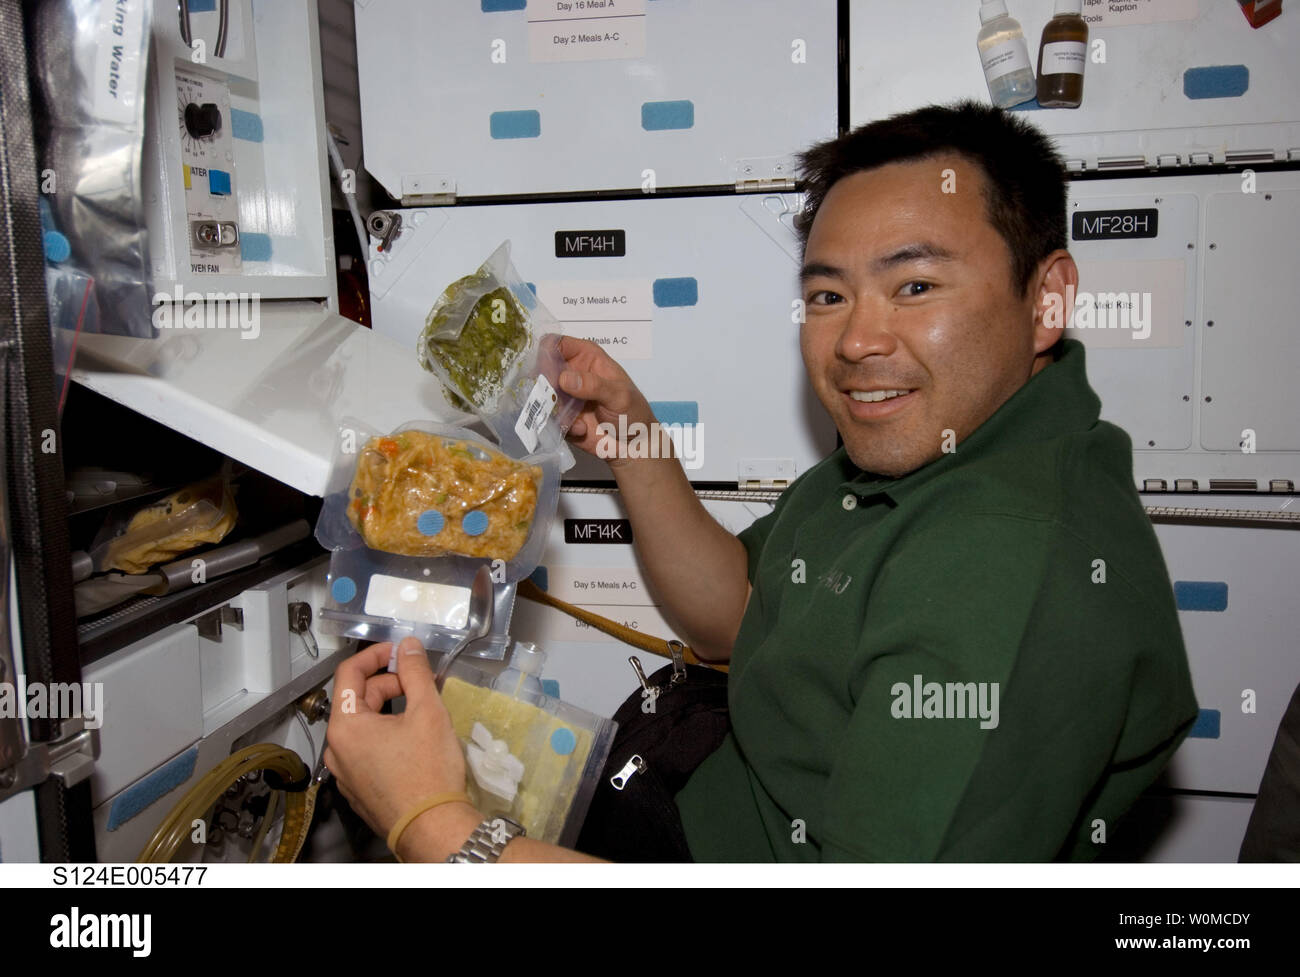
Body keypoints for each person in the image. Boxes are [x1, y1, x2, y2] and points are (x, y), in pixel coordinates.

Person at [324, 101, 1198, 862]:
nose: (858, 340)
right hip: (687, 794)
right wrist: (632, 431)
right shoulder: (937, 448)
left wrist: (434, 828)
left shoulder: (1015, 564)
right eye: (828, 296)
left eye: (916, 284)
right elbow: (742, 610)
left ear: (1046, 299)